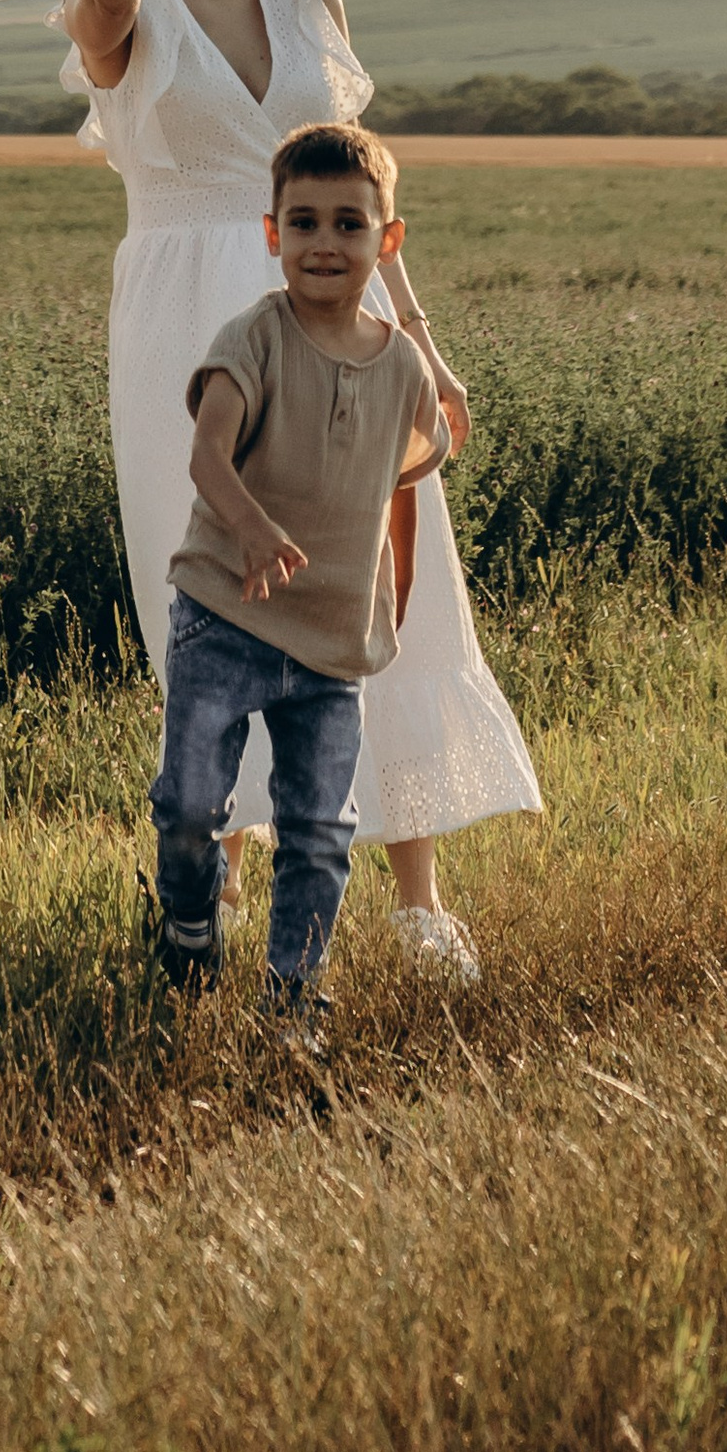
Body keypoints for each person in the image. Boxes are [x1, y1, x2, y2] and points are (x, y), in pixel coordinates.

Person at [63, 0, 539, 977]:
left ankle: (418, 898)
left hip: (348, 313)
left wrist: (423, 344)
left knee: (387, 586)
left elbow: (359, 188)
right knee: (219, 598)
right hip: (191, 318)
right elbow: (107, 35)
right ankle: (212, 880)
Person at [155, 123, 452, 1008]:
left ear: (387, 239)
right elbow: (208, 455)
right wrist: (249, 530)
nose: (327, 243)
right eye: (306, 223)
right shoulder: (253, 338)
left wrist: (390, 591)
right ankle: (189, 919)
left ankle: (294, 997)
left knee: (319, 829)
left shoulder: (403, 366)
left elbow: (401, 482)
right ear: (272, 232)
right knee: (189, 807)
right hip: (225, 612)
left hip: (331, 644)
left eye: (350, 225)